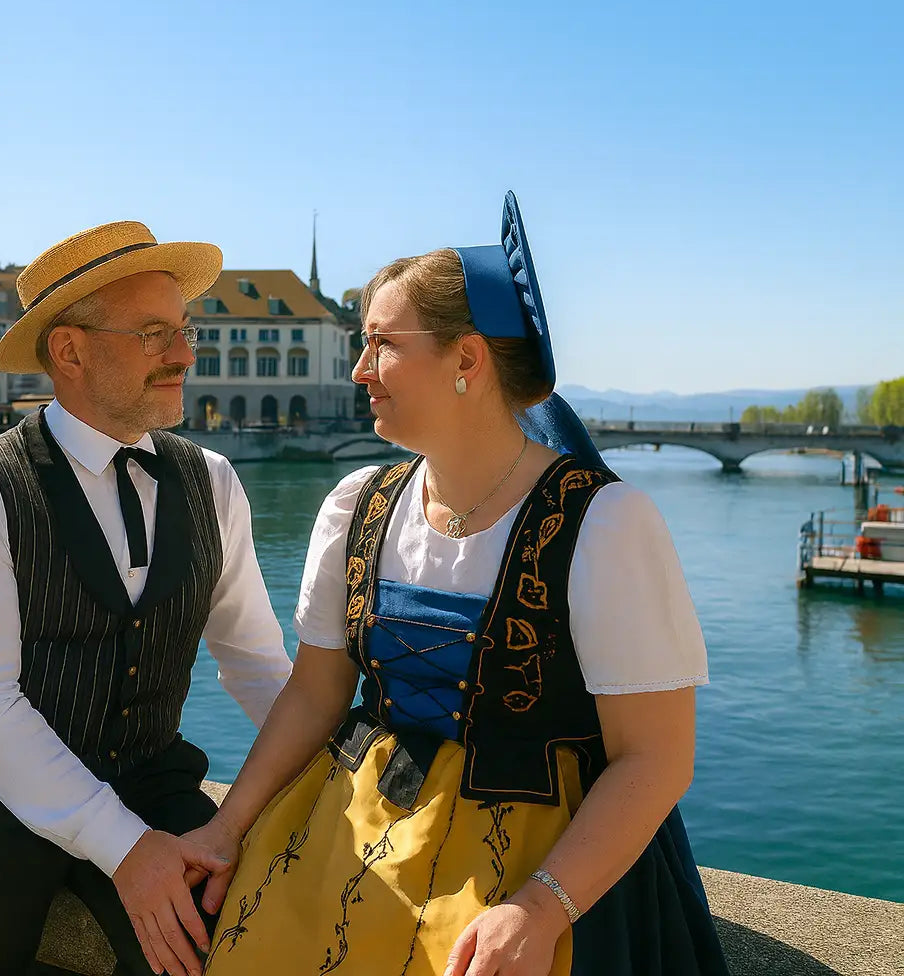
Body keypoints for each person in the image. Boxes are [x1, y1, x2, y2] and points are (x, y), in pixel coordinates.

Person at [191, 193, 730, 976]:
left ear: (468, 361)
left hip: (542, 867)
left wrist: (539, 908)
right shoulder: (359, 507)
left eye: (382, 344)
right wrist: (228, 827)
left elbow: (654, 760)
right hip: (357, 832)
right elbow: (314, 697)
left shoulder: (605, 525)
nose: (360, 368)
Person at [0, 220, 293, 976]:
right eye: (152, 334)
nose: (183, 354)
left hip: (145, 777)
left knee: (245, 944)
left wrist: (342, 776)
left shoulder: (213, 482)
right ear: (69, 351)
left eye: (183, 330)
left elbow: (257, 665)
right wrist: (130, 849)